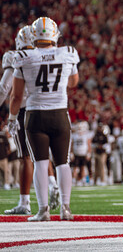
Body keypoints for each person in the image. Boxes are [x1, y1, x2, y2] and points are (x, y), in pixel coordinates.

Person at [8, 17, 79, 221]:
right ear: (55, 34)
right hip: (59, 113)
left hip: (35, 115)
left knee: (40, 162)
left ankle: (43, 210)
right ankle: (65, 208)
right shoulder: (68, 53)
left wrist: (13, 118)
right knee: (62, 163)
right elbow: (73, 82)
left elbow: (16, 96)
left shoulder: (24, 56)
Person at [3, 25, 60, 215]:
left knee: (25, 157)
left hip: (23, 110)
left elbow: (5, 88)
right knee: (41, 155)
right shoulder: (43, 55)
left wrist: (10, 114)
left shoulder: (16, 57)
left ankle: (25, 202)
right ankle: (53, 184)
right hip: (44, 108)